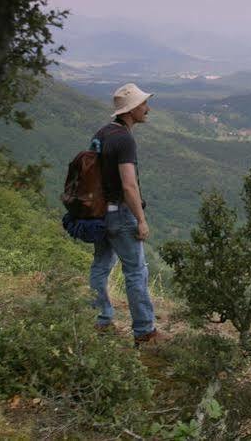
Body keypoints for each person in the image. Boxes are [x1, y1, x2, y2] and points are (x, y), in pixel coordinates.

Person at [88, 82, 161, 345]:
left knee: (101, 265)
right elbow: (129, 185)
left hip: (99, 212)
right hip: (120, 213)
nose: (147, 109)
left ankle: (101, 318)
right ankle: (144, 331)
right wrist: (141, 220)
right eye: (143, 104)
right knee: (136, 271)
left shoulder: (102, 133)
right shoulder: (124, 139)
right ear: (130, 110)